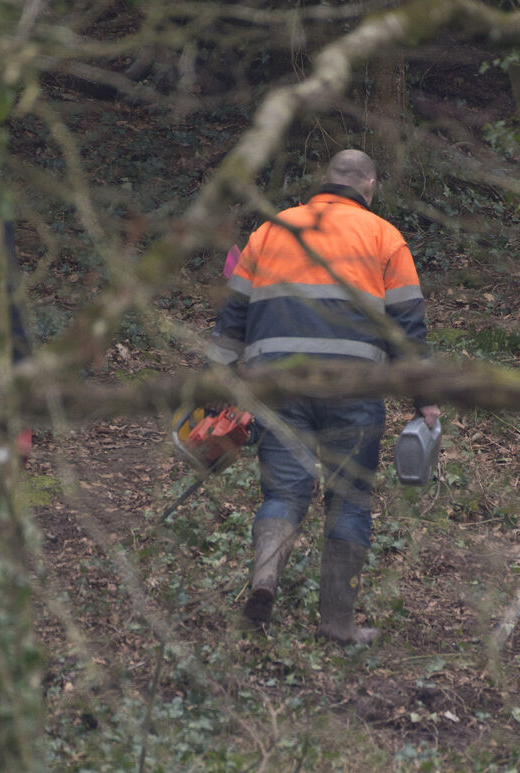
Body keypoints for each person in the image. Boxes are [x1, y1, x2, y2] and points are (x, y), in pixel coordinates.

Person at [207, 149, 440, 645]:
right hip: (352, 390)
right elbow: (408, 330)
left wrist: (220, 381)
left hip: (280, 386)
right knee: (349, 501)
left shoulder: (270, 230)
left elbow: (233, 317)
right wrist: (424, 398)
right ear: (369, 185)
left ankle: (265, 580)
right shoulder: (384, 236)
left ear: (325, 181)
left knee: (283, 493)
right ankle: (337, 625)